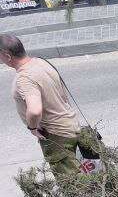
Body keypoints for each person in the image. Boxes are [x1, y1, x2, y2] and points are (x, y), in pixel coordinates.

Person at [2, 34, 89, 183]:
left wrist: (33, 128)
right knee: (87, 174)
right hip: (71, 125)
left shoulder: (25, 78)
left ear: (7, 56)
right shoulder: (41, 62)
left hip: (56, 135)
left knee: (73, 184)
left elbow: (35, 110)